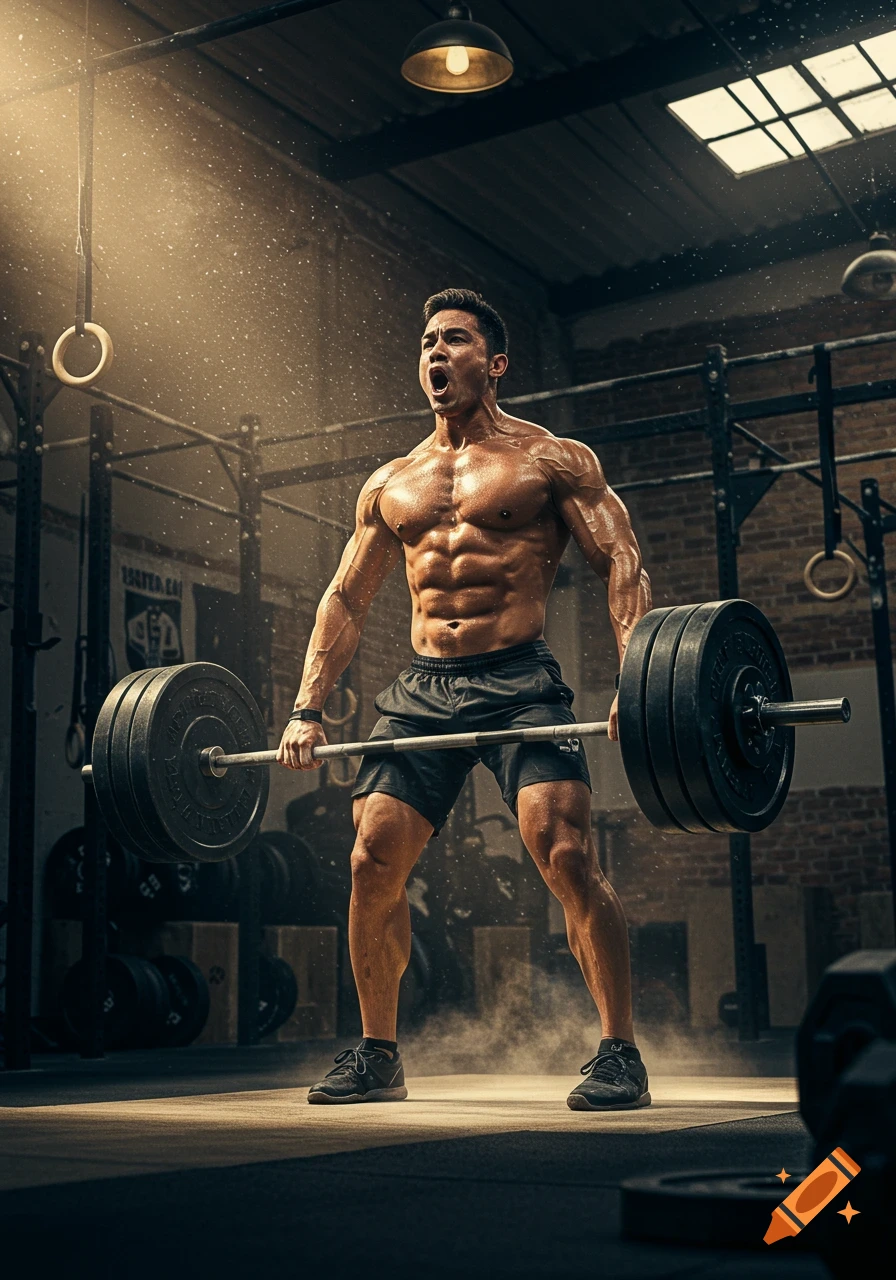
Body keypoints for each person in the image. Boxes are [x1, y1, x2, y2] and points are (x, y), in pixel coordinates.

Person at [278, 287, 652, 1111]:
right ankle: (379, 1053)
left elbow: (620, 561)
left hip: (519, 679)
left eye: (454, 340)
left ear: (496, 363)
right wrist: (308, 706)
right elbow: (345, 599)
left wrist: (638, 674)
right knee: (370, 857)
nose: (436, 355)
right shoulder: (391, 482)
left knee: (564, 853)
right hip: (423, 688)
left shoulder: (553, 459)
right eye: (426, 345)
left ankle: (619, 1051)